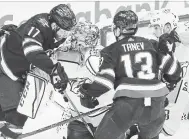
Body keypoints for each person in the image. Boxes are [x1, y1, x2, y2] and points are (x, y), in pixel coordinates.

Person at [78, 10, 182, 139]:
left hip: (127, 106)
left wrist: (87, 93)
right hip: (156, 106)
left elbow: (105, 82)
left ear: (116, 30)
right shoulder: (152, 44)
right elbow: (175, 71)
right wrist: (168, 57)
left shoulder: (111, 50)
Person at [0, 4, 76, 131]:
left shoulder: (55, 30)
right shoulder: (38, 27)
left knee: (21, 106)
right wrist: (54, 70)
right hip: (0, 66)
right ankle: (6, 130)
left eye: (69, 32)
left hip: (16, 68)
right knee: (17, 117)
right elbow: (33, 53)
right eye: (64, 31)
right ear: (54, 25)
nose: (66, 35)